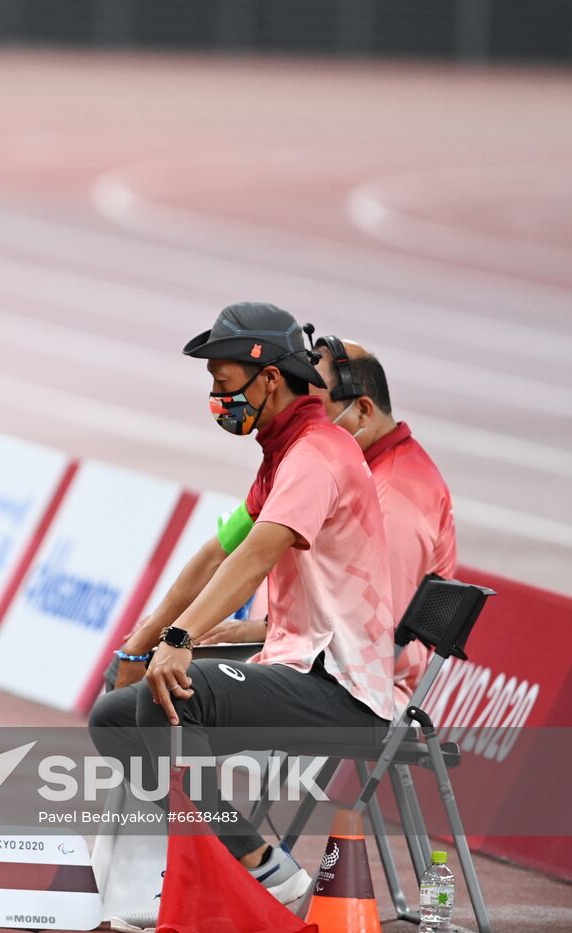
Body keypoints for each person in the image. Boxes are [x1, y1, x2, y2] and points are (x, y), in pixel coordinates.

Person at [88, 302, 396, 911]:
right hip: (296, 663)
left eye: (223, 384)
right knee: (112, 718)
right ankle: (243, 866)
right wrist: (138, 643)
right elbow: (215, 554)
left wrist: (177, 642)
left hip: (343, 687)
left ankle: (242, 876)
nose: (215, 399)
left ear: (270, 379)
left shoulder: (317, 454)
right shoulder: (282, 452)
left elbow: (255, 556)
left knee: (173, 694)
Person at [310, 335, 457, 707]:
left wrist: (252, 633)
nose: (305, 430)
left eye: (316, 414)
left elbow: (370, 635)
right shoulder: (354, 470)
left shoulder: (393, 503)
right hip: (314, 661)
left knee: (190, 682)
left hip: (359, 687)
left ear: (362, 410)